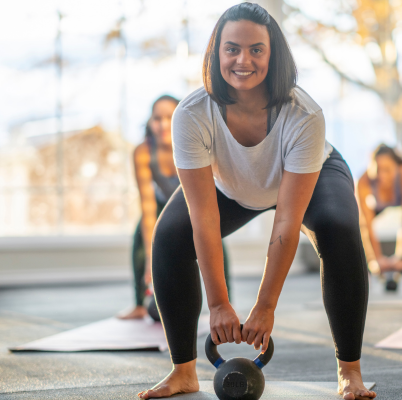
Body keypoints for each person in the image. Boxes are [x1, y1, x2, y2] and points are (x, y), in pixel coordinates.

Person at [137, 4, 376, 400]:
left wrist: (265, 306)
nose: (242, 60)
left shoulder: (304, 115)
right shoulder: (191, 115)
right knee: (170, 234)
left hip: (310, 179)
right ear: (216, 54)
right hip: (232, 185)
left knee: (339, 228)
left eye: (256, 50)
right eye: (231, 49)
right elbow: (203, 219)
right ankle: (183, 371)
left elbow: (286, 223)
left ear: (273, 54)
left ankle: (349, 371)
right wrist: (219, 305)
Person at [117, 95, 230, 320]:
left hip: (195, 202)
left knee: (214, 235)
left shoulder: (194, 143)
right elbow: (148, 206)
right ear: (150, 122)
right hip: (161, 205)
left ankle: (227, 302)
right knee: (140, 237)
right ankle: (140, 303)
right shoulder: (143, 152)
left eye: (169, 117)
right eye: (157, 118)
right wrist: (150, 257)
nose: (163, 124)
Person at [357, 144, 402, 291]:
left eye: (387, 170)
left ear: (396, 168)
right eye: (378, 170)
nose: (382, 176)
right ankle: (362, 273)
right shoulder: (363, 181)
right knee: (355, 224)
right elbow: (367, 224)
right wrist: (375, 259)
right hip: (386, 198)